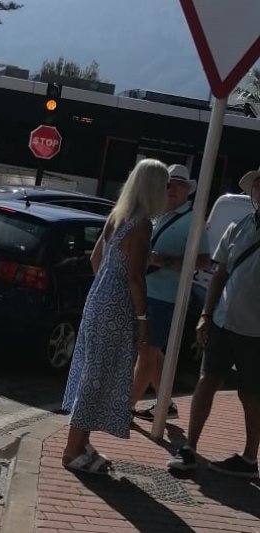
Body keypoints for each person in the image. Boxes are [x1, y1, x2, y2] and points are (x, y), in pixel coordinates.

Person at [61, 158, 169, 474]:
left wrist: (106, 287)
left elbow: (97, 258)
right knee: (99, 379)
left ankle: (81, 443)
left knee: (92, 373)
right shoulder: (142, 224)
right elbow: (136, 277)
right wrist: (142, 317)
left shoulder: (117, 216)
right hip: (118, 305)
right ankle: (72, 449)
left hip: (99, 298)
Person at [167, 167, 260, 477]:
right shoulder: (238, 226)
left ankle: (249, 457)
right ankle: (189, 447)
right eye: (257, 187)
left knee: (251, 393)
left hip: (256, 331)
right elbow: (219, 274)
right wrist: (205, 315)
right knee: (207, 381)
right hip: (222, 319)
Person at [131, 164, 210, 421]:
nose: (172, 189)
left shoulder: (194, 220)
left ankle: (124, 407)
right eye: (169, 184)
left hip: (166, 297)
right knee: (152, 351)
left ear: (188, 190)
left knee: (147, 350)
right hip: (147, 291)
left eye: (179, 185)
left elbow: (203, 261)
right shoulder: (157, 215)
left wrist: (163, 261)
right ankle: (165, 403)